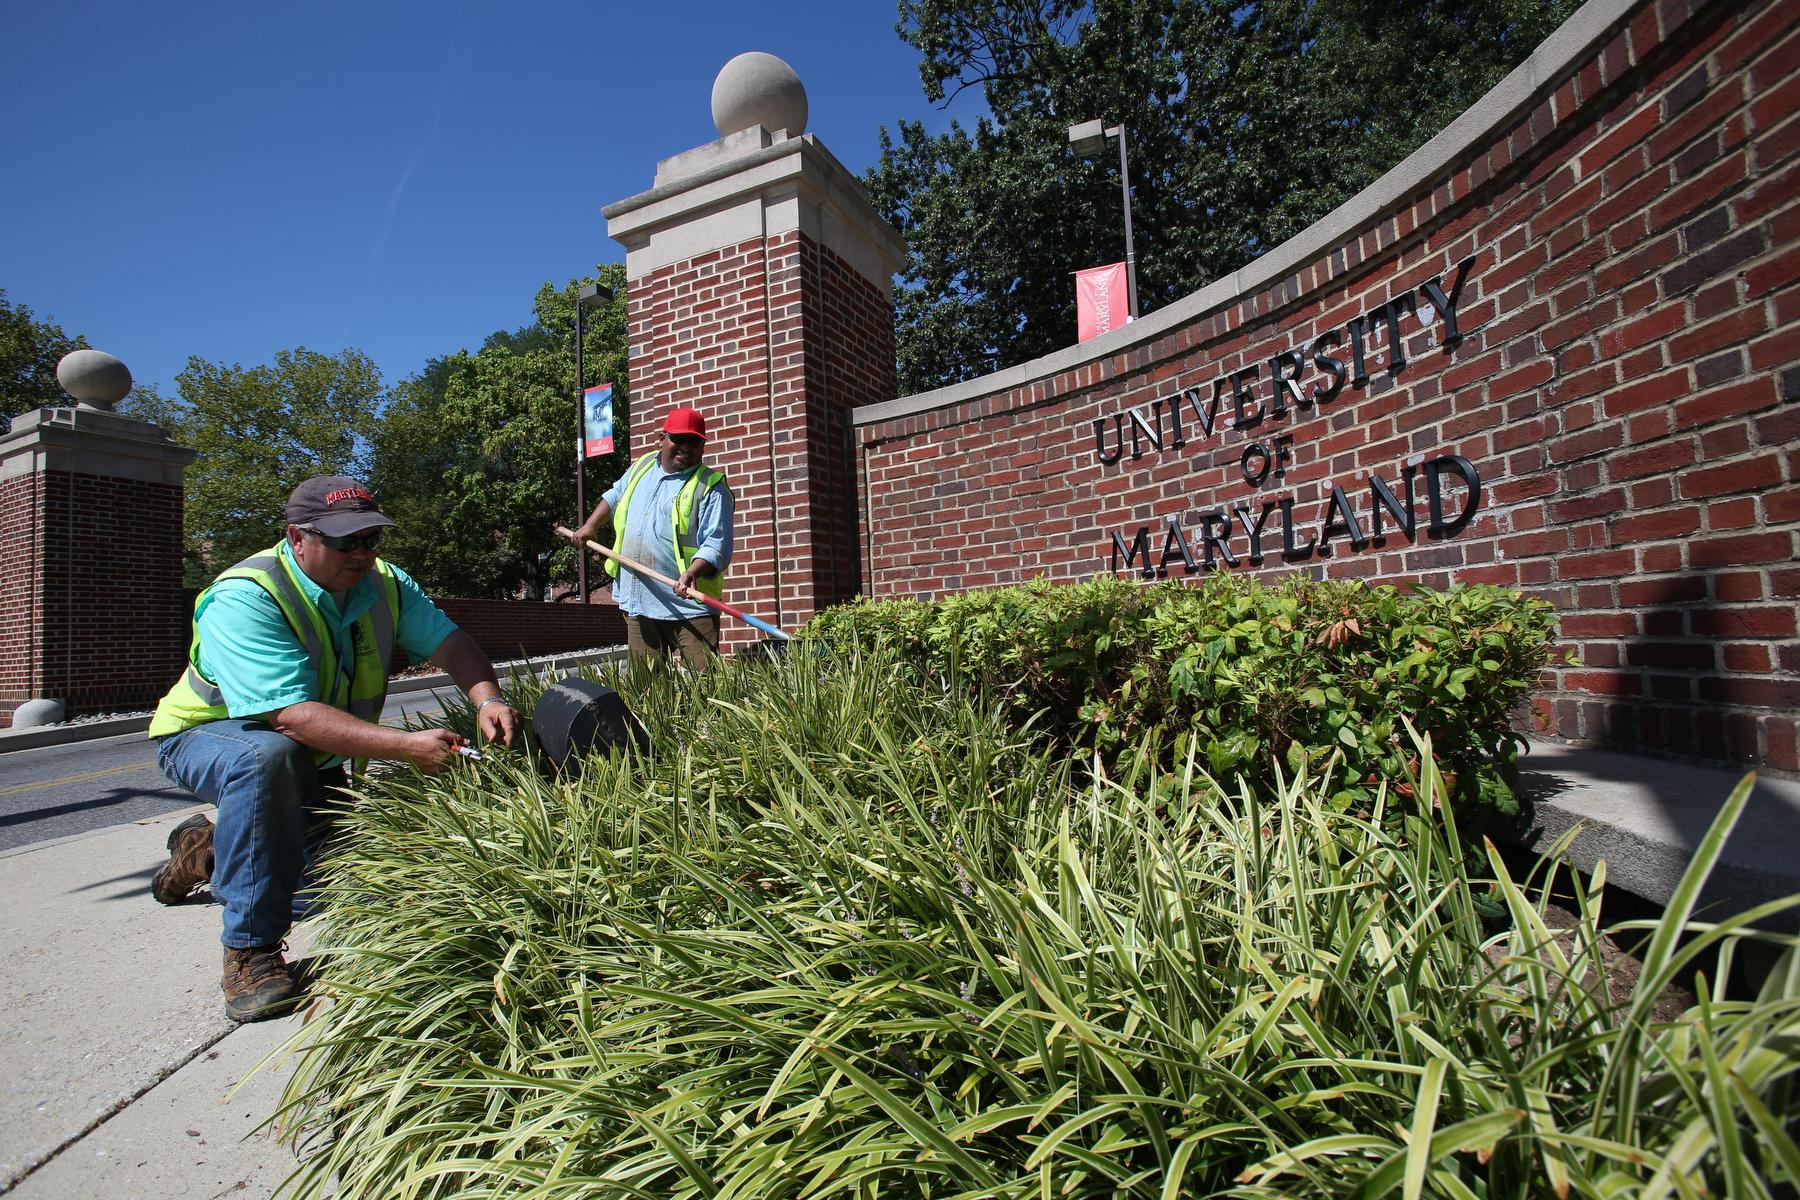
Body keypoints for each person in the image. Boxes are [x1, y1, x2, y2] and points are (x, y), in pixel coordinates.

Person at [147, 476, 520, 1022]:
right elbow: (290, 718)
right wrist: (404, 747)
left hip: (308, 755)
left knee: (330, 874)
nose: (363, 553)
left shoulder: (384, 584)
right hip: (208, 737)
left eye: (372, 539)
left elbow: (452, 642)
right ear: (298, 538)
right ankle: (249, 952)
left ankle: (206, 850)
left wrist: (488, 698)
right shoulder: (246, 597)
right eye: (347, 541)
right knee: (266, 759)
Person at [566, 406, 735, 670]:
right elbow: (615, 495)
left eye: (695, 442)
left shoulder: (711, 487)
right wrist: (590, 525)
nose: (686, 448)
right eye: (679, 440)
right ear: (662, 439)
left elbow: (716, 545)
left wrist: (692, 572)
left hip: (688, 604)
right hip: (641, 599)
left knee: (706, 685)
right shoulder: (642, 466)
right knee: (647, 688)